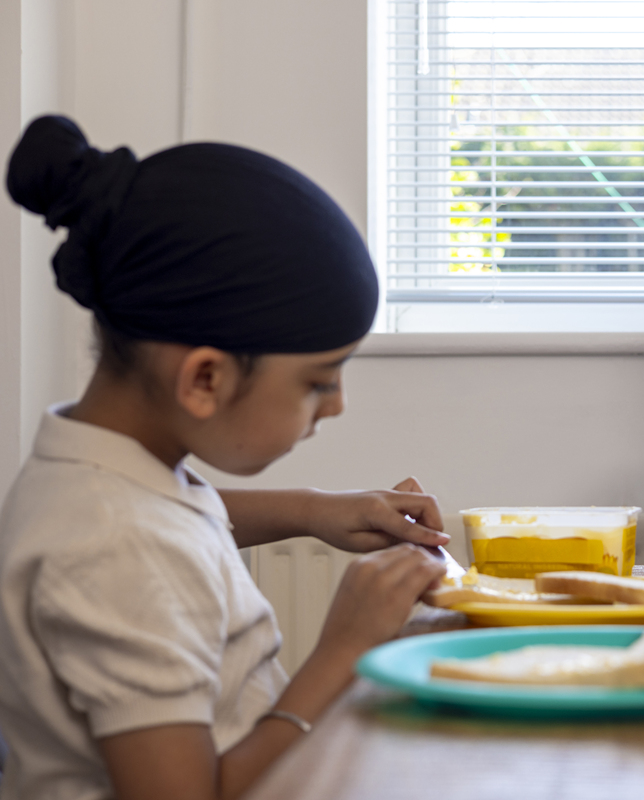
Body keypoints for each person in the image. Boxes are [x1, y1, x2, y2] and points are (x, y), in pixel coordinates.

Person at [0, 116, 450, 800]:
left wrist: (314, 512)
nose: (335, 407)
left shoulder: (93, 472)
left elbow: (172, 519)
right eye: (317, 382)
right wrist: (345, 652)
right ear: (205, 380)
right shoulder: (117, 550)